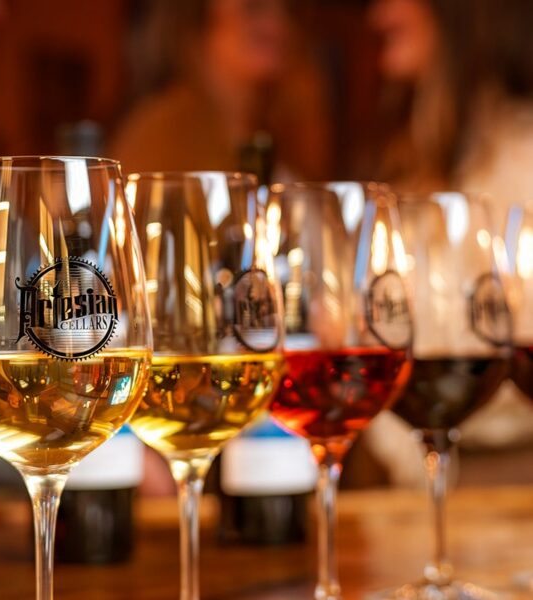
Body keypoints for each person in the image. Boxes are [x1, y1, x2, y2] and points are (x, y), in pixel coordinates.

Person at [366, 0, 533, 486]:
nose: (378, 15)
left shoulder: (521, 157)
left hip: (504, 487)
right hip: (429, 486)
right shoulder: (417, 159)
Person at [109, 0, 332, 181]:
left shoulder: (286, 131)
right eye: (254, 7)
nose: (278, 23)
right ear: (201, 18)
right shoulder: (159, 131)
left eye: (289, 10)